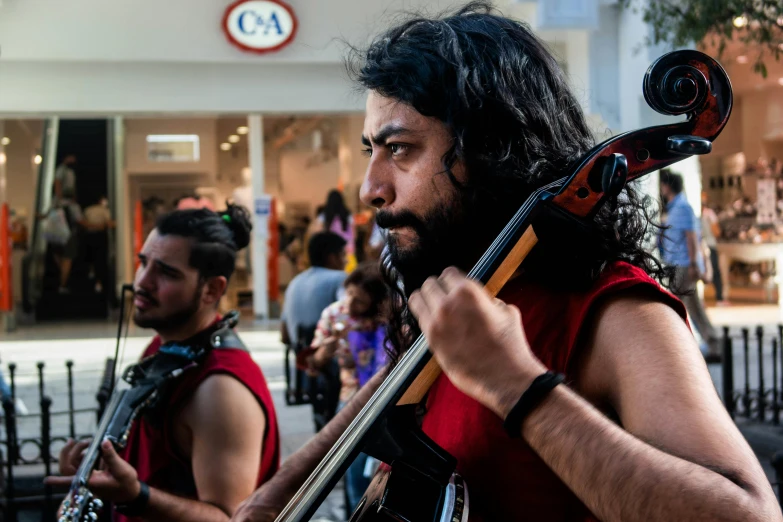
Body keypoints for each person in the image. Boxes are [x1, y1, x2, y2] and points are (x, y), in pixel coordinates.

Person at [233, 4, 781, 522]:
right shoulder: (468, 299)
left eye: (399, 149)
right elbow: (382, 394)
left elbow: (749, 512)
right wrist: (273, 498)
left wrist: (516, 384)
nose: (370, 187)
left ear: (490, 151)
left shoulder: (616, 313)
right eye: (369, 151)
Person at [47, 204, 280, 521]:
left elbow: (229, 517)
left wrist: (137, 497)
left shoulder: (221, 389)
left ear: (212, 289)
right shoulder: (163, 345)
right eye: (143, 263)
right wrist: (97, 474)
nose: (143, 282)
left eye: (167, 273)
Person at [303, 263, 390, 513]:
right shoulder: (335, 314)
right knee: (355, 470)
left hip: (388, 400)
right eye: (349, 294)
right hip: (352, 398)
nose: (350, 304)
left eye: (360, 301)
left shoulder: (386, 318)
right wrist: (323, 353)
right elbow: (311, 364)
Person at [280, 232, 348, 429]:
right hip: (334, 372)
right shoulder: (340, 279)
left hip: (305, 374)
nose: (344, 261)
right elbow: (348, 318)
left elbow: (284, 334)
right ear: (332, 257)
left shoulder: (295, 283)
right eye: (343, 255)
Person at [660, 171, 722, 361]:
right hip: (680, 265)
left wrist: (694, 265)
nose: (661, 189)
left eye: (662, 185)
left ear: (667, 186)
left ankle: (678, 349)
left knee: (675, 307)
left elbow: (691, 238)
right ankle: (713, 344)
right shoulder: (676, 207)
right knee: (693, 307)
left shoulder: (682, 207)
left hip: (683, 266)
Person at [312, 190, 356, 269]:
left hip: (329, 253)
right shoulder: (348, 215)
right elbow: (354, 234)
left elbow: (317, 233)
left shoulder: (324, 216)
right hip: (347, 250)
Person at [83, 196, 116, 294]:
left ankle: (91, 271)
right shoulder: (104, 210)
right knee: (100, 258)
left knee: (91, 255)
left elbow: (84, 222)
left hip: (89, 235)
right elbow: (109, 223)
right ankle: (99, 282)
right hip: (100, 236)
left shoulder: (88, 210)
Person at [701, 192, 728, 306]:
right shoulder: (709, 214)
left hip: (700, 247)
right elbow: (716, 231)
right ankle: (720, 299)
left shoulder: (695, 214)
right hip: (710, 245)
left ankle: (701, 299)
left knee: (702, 272)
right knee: (715, 271)